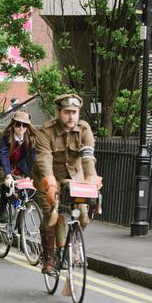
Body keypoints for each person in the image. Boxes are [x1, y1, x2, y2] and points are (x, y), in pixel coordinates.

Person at [32, 94, 102, 275]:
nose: (71, 117)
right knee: (54, 215)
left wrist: (92, 179)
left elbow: (87, 157)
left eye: (75, 112)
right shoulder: (46, 132)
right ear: (58, 112)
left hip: (75, 178)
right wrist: (50, 183)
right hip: (48, 179)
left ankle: (75, 242)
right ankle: (49, 259)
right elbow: (44, 159)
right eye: (67, 112)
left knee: (84, 214)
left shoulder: (84, 129)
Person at [0, 111, 36, 224]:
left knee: (22, 193)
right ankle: (2, 210)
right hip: (0, 165)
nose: (21, 128)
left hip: (18, 167)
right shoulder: (6, 137)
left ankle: (19, 226)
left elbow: (35, 158)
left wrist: (40, 175)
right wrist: (8, 175)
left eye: (24, 125)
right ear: (13, 124)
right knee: (7, 184)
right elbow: (4, 156)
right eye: (18, 124)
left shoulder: (30, 138)